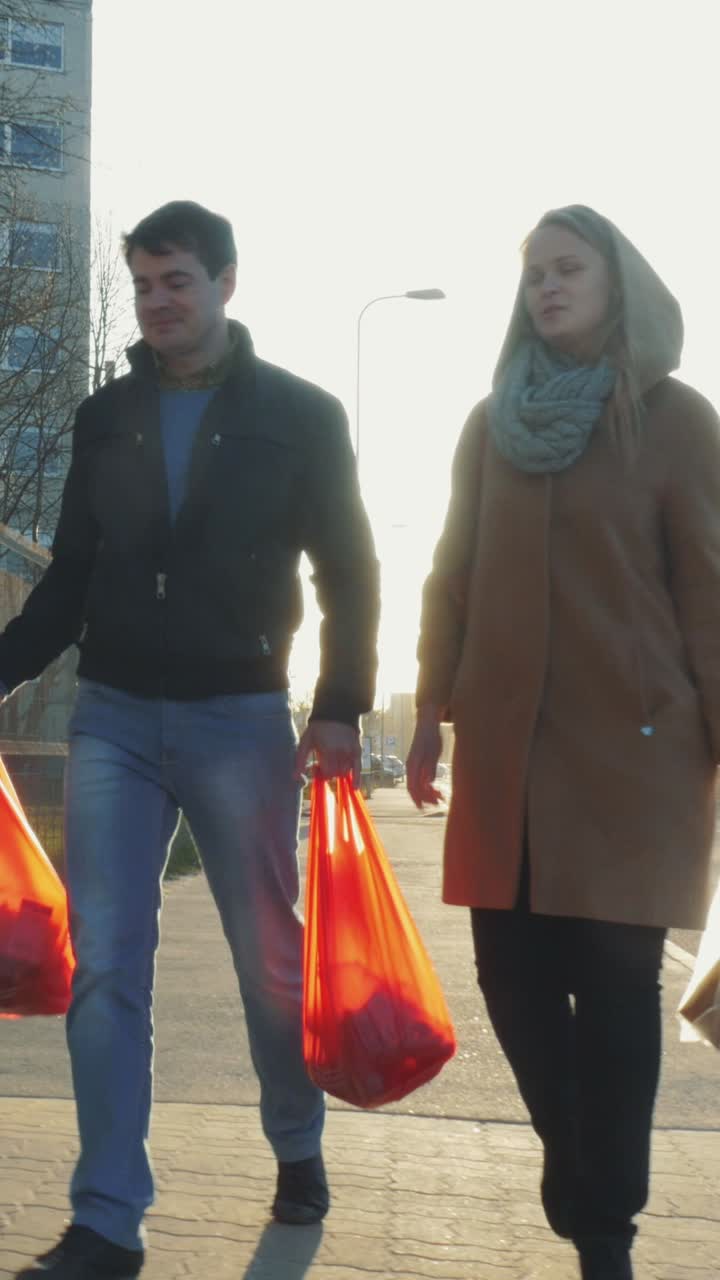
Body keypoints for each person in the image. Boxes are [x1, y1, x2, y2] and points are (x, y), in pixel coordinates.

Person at [0, 200, 379, 1280]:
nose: (161, 300)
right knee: (107, 967)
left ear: (225, 283)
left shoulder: (298, 416)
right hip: (113, 714)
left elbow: (349, 570)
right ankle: (107, 1217)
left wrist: (342, 704)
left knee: (268, 958)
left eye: (179, 280)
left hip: (239, 716)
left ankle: (296, 1143)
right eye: (146, 282)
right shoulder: (104, 417)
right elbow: (68, 578)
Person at [406, 204, 720, 1280]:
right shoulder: (492, 420)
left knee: (620, 981)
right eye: (533, 270)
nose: (545, 285)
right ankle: (573, 1153)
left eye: (567, 267)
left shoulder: (676, 419)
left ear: (616, 281)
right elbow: (448, 575)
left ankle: (608, 1229)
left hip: (639, 750)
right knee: (509, 970)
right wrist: (427, 710)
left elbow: (711, 590)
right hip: (508, 748)